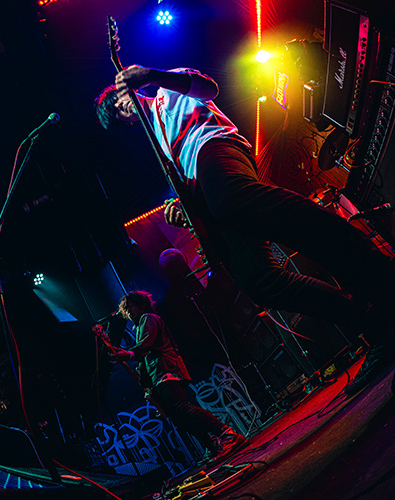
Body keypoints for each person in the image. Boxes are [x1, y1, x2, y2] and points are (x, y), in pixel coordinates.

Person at [95, 65, 395, 395]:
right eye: (119, 113)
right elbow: (192, 186)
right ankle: (376, 325)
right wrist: (186, 211)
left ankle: (383, 280)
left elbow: (209, 88)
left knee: (230, 201)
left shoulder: (167, 89)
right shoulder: (160, 141)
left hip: (217, 149)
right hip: (208, 190)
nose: (123, 108)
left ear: (132, 89)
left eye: (120, 100)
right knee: (258, 281)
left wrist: (153, 75)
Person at [109, 290, 248, 461]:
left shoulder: (148, 318)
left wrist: (128, 354)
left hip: (165, 371)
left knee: (181, 408)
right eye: (126, 309)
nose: (129, 311)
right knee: (178, 417)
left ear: (141, 305)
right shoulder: (138, 327)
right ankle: (211, 445)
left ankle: (227, 434)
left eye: (131, 306)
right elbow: (143, 354)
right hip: (157, 375)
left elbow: (146, 345)